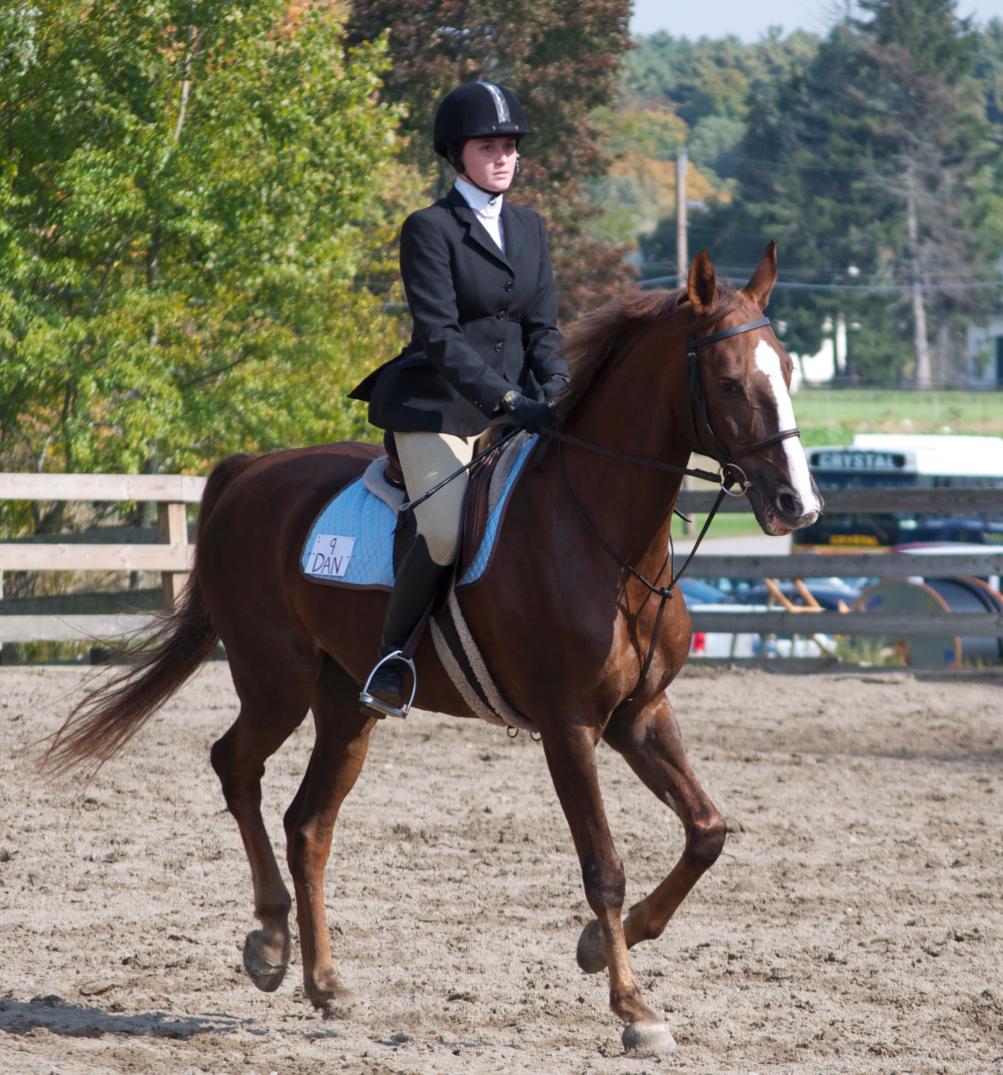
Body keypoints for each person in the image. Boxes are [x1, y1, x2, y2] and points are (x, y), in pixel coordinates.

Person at [348, 80, 569, 719]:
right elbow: (440, 336)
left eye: (510, 146)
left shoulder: (529, 227)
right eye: (487, 146)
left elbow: (542, 328)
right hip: (438, 405)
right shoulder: (429, 228)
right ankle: (392, 659)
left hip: (520, 404)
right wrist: (507, 398)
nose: (503, 157)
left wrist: (558, 387)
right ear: (456, 153)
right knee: (445, 529)